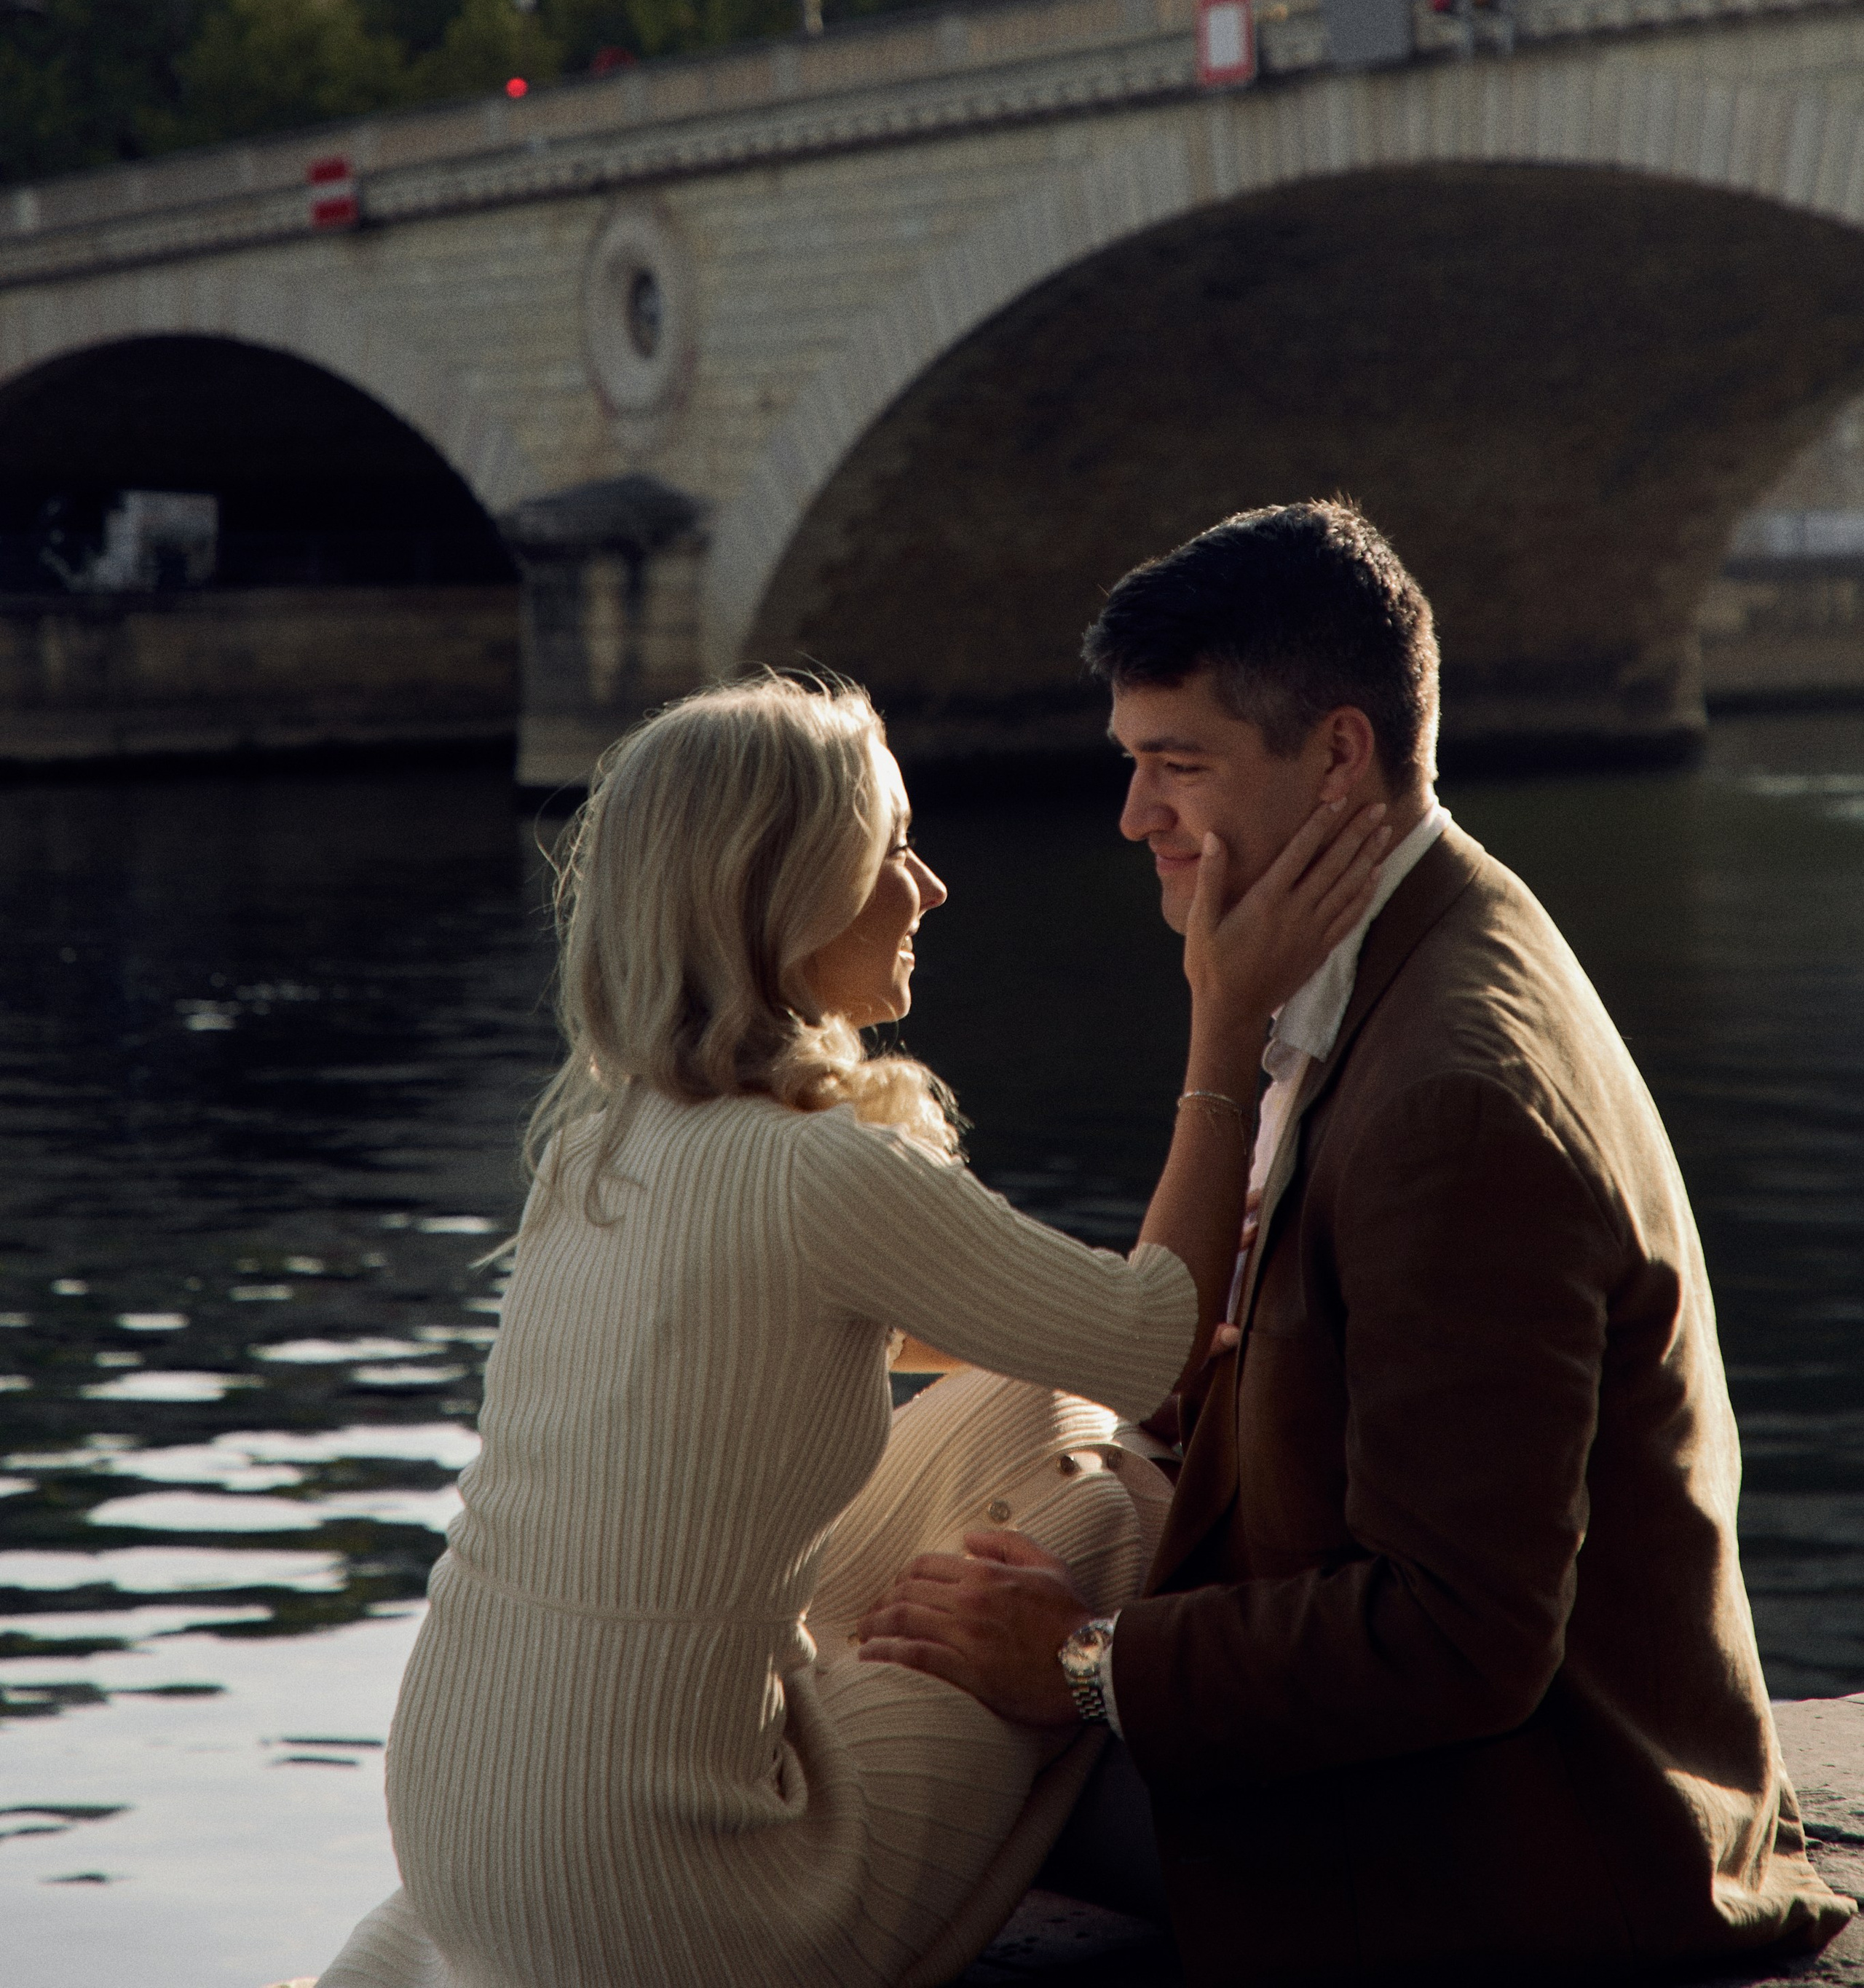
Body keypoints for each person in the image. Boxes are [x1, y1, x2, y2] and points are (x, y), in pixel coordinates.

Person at [858, 502, 1857, 1987]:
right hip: (1487, 1782)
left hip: (1504, 1844)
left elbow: (1458, 1636)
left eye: (1173, 768)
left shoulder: (1448, 1100)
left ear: (1338, 758)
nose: (1133, 818)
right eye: (1129, 765)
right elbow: (1237, 1371)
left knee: (864, 1776)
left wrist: (1075, 1664)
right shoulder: (1418, 946)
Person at [311, 671, 1387, 1988]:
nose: (930, 887)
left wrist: (1103, 1327)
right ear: (785, 893)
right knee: (1109, 1507)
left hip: (459, 1827)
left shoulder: (600, 1139)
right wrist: (1228, 1015)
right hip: (664, 1892)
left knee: (1032, 1402)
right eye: (890, 851)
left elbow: (985, 1340)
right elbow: (1152, 1341)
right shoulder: (817, 1176)